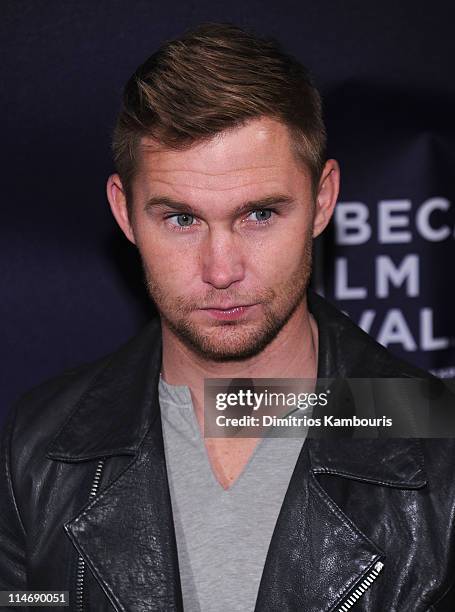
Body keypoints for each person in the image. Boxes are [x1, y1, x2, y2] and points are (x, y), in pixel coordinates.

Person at [1, 22, 454, 612]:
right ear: (124, 211)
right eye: (182, 219)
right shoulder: (37, 447)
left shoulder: (437, 444)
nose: (221, 270)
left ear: (322, 200)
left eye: (260, 214)